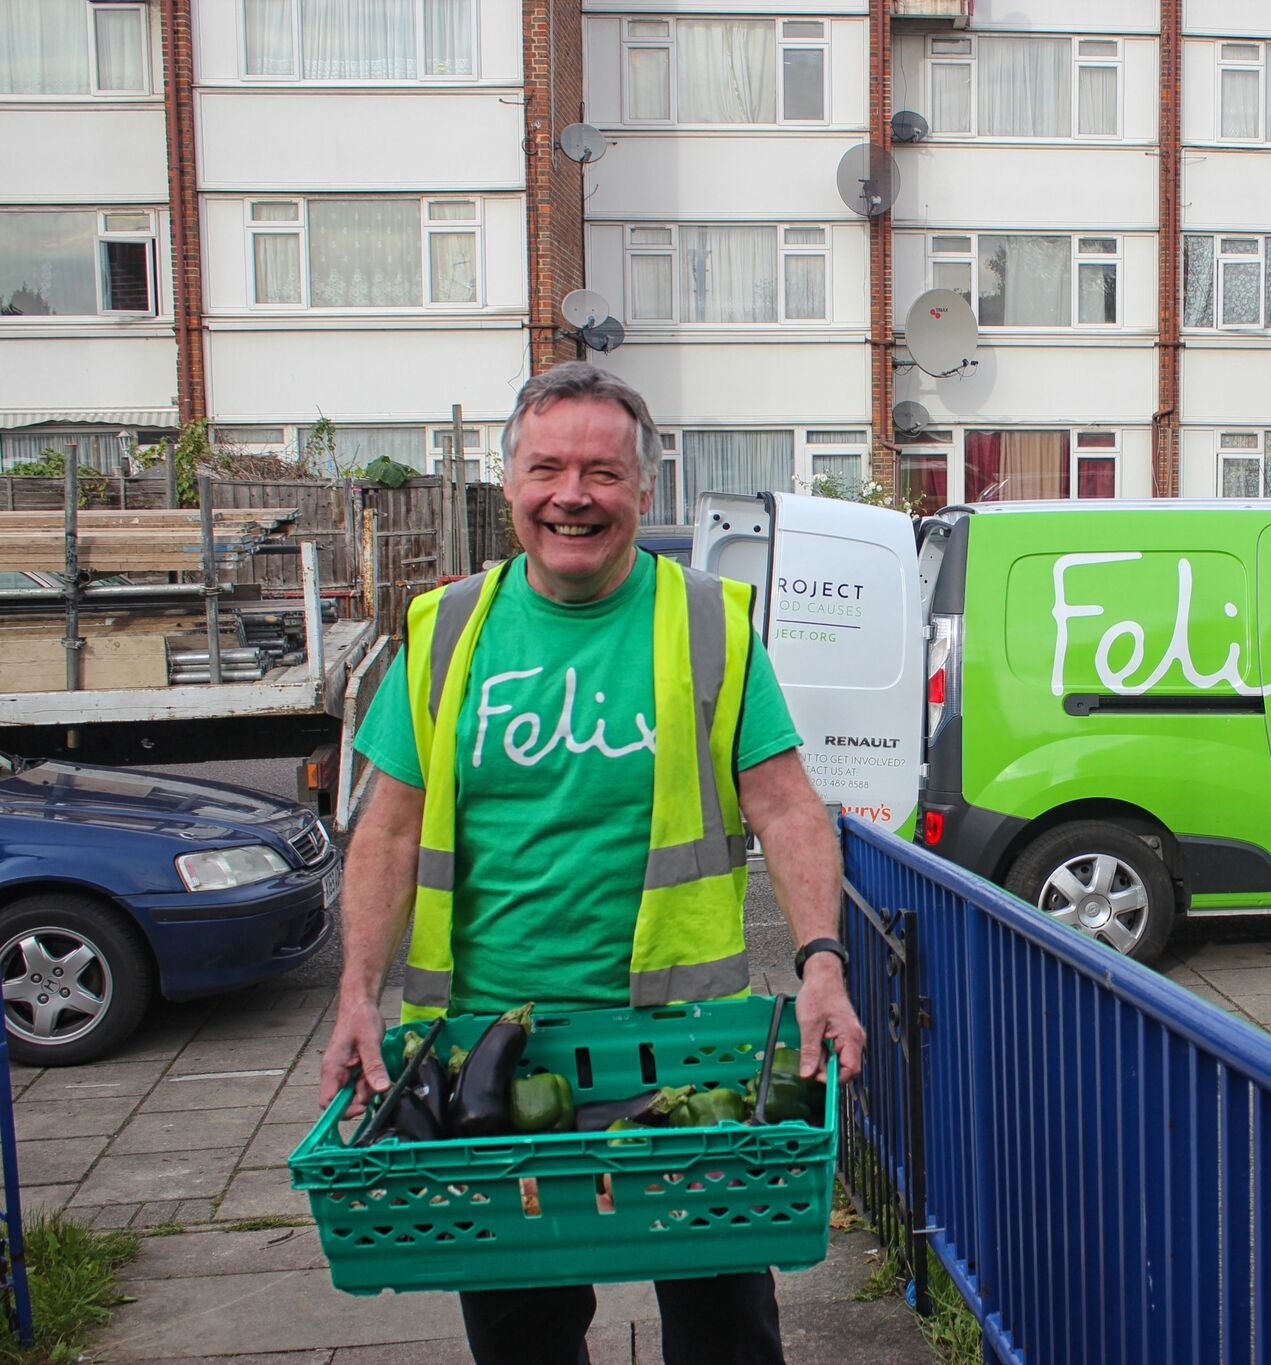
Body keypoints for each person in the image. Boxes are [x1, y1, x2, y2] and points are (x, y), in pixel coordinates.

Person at [316, 362, 866, 1365]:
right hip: (491, 1056)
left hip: (676, 1051)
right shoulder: (443, 634)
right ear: (510, 486)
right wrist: (356, 992)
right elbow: (388, 830)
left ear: (643, 491)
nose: (573, 495)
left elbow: (784, 804)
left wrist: (821, 963)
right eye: (547, 469)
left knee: (724, 1331)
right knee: (522, 1338)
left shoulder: (707, 623)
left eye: (602, 473)